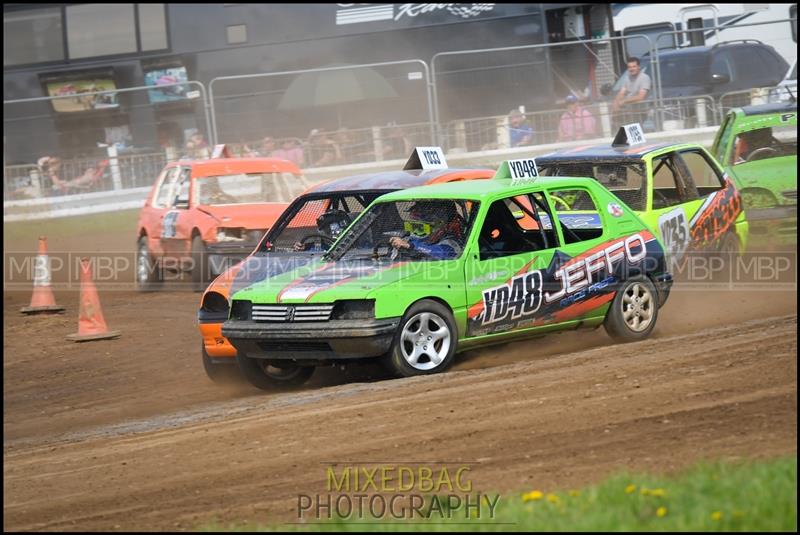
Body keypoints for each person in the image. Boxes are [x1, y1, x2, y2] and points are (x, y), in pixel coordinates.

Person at [389, 202, 465, 260]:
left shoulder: (451, 241)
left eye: (420, 227)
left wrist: (410, 246)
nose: (415, 230)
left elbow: (440, 253)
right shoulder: (416, 240)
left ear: (439, 224)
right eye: (413, 225)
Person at [612, 56, 652, 127]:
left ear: (639, 67)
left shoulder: (644, 78)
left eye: (634, 66)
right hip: (629, 112)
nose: (632, 69)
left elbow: (641, 97)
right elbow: (621, 92)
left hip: (641, 112)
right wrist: (616, 102)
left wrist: (624, 101)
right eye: (629, 67)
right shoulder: (627, 78)